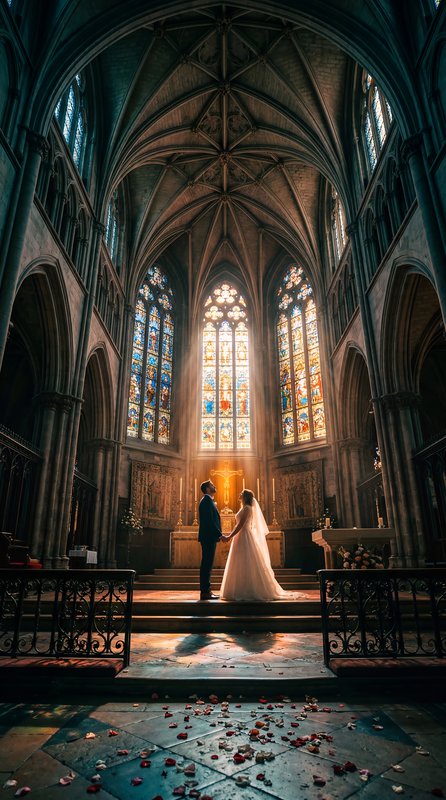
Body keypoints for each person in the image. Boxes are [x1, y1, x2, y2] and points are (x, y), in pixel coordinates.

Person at [220, 489, 295, 601]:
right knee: (239, 562)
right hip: (240, 537)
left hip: (244, 536)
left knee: (246, 562)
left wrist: (229, 536)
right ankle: (239, 588)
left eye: (241, 493)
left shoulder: (247, 509)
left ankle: (248, 589)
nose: (239, 494)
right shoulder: (244, 508)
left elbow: (240, 525)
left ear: (245, 497)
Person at [198, 479, 222, 600]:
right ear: (207, 489)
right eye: (212, 485)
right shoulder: (206, 501)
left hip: (209, 537)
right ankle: (205, 591)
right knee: (207, 564)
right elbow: (210, 522)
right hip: (208, 537)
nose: (214, 486)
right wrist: (220, 534)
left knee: (207, 563)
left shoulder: (208, 501)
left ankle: (206, 590)